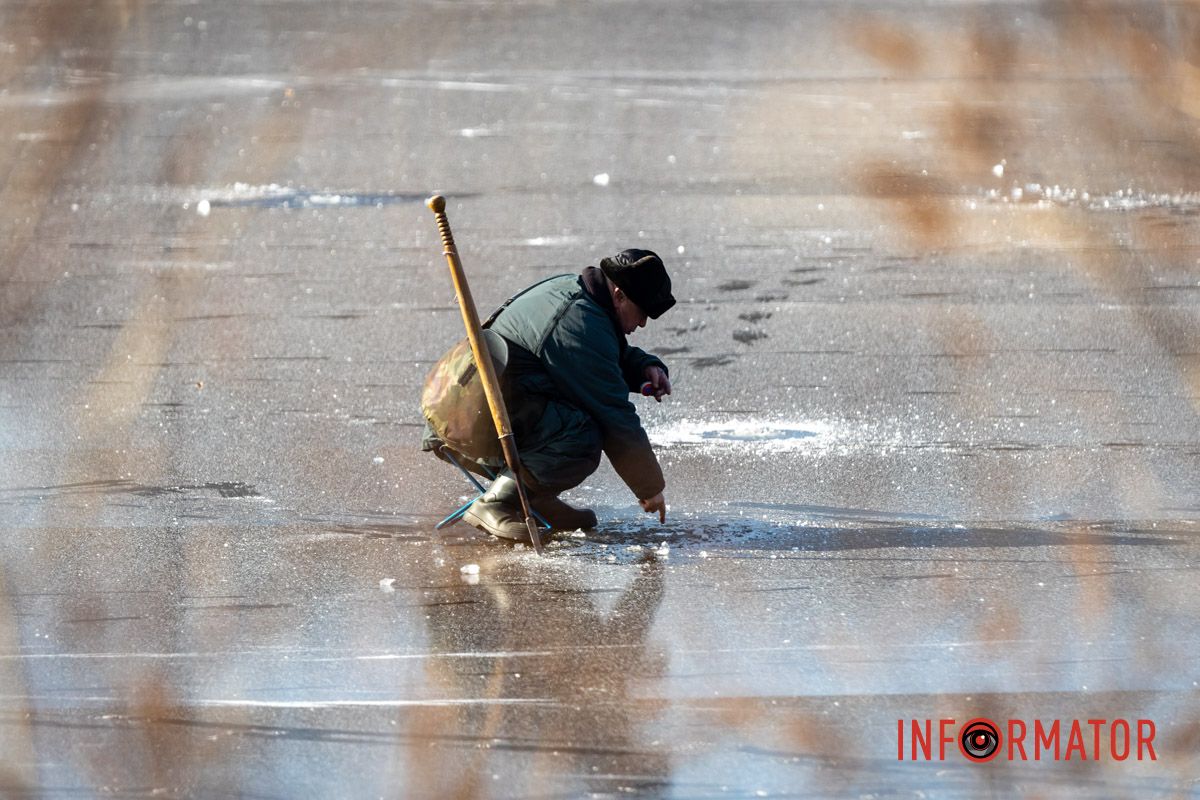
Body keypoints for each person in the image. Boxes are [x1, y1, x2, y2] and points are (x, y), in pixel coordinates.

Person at [422, 248, 676, 542]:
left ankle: (534, 497)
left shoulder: (579, 295)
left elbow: (601, 354)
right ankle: (497, 503)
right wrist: (649, 488)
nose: (643, 323)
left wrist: (644, 368)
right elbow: (613, 414)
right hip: (473, 419)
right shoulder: (580, 321)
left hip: (466, 406)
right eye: (642, 311)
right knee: (584, 436)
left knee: (573, 410)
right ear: (619, 295)